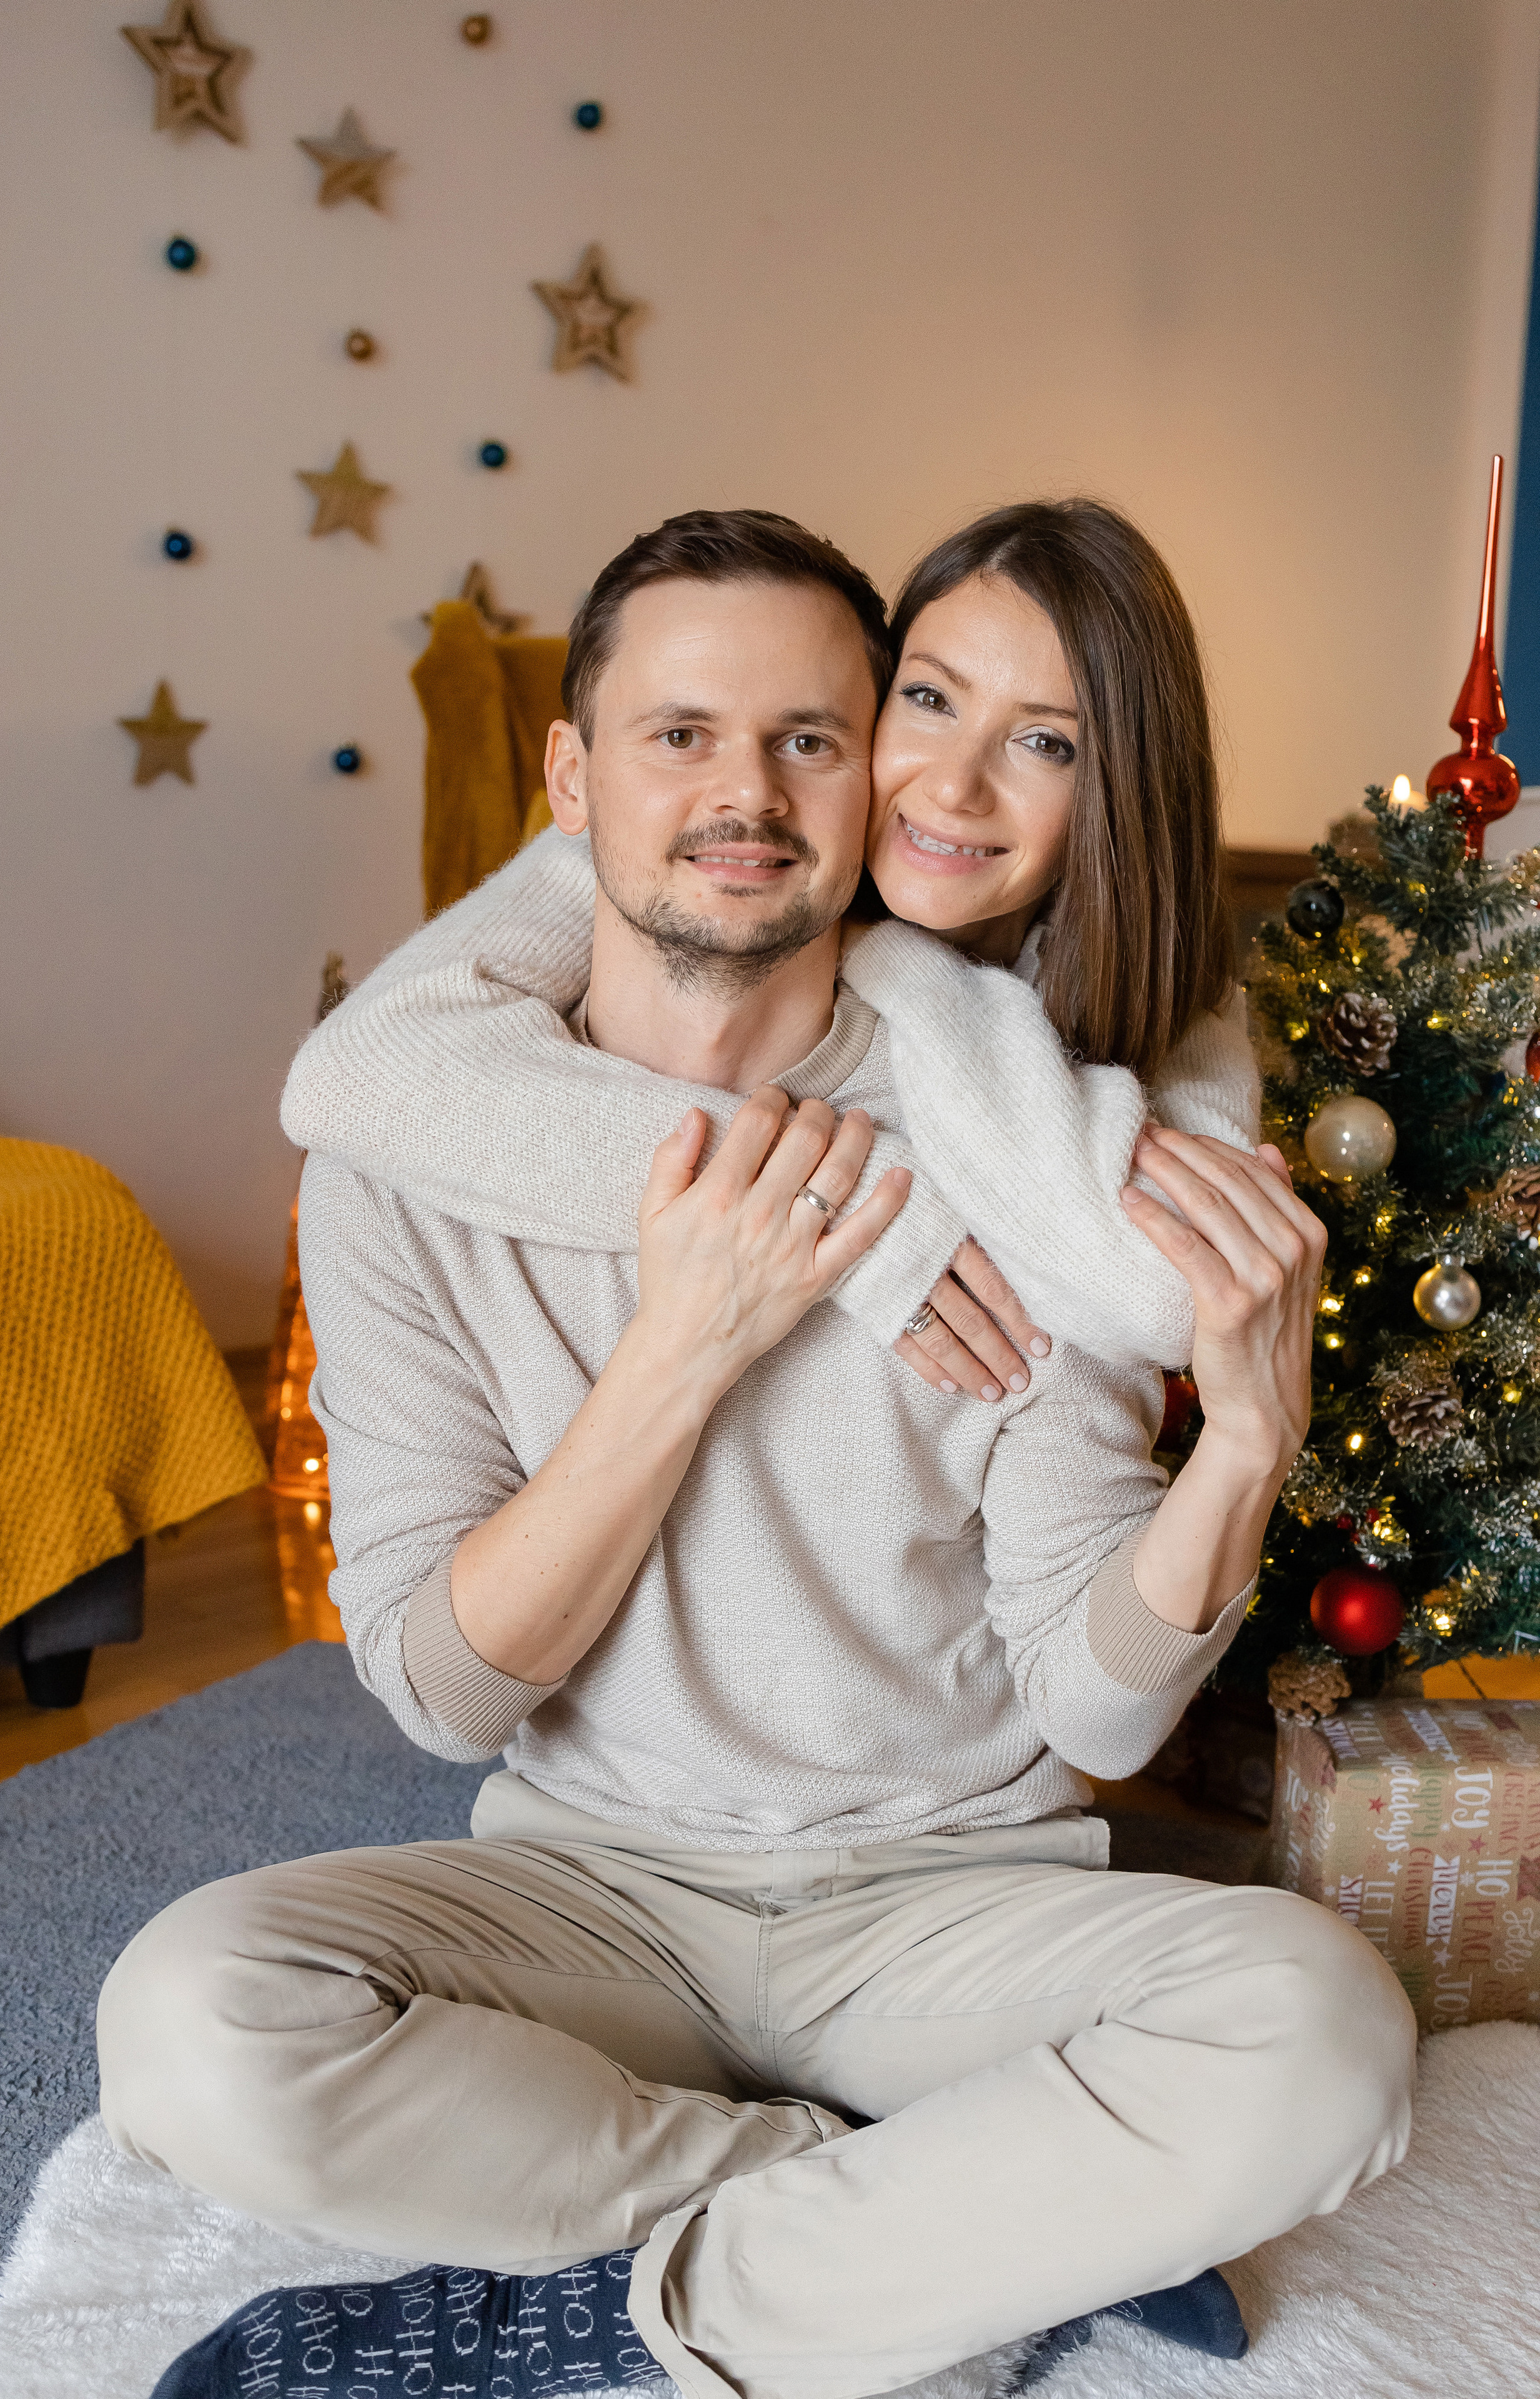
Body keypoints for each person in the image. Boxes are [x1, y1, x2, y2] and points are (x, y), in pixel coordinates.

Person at [100, 511, 1415, 2399]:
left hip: (955, 1902)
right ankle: (915, 2232)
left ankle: (629, 2318)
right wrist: (684, 1348)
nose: (750, 793)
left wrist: (1253, 1443)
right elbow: (445, 1694)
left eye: (810, 736)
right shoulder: (405, 1150)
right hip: (587, 1892)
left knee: (1327, 2041)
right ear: (572, 776)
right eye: (681, 737)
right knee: (184, 2025)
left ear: (862, 764)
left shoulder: (1016, 1159)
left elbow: (1095, 1712)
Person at [275, 500, 1262, 1410]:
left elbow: (1166, 1299)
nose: (956, 785)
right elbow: (350, 1074)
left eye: (1048, 744)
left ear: (1120, 794)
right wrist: (857, 1223)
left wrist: (907, 972)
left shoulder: (1179, 999)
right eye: (930, 698)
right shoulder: (696, 855)